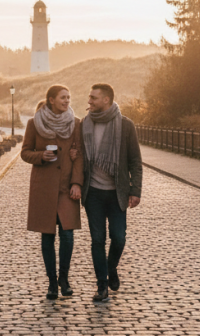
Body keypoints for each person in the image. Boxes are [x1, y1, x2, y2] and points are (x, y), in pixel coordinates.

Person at [21, 85, 84, 300]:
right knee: (47, 235)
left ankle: (63, 279)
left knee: (67, 235)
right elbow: (25, 152)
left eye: (69, 97)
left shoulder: (75, 124)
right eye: (63, 97)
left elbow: (80, 155)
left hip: (67, 188)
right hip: (44, 188)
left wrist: (77, 183)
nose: (67, 101)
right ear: (51, 100)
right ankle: (51, 283)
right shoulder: (34, 123)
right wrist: (40, 156)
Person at [81, 83, 142, 301]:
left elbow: (135, 160)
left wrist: (135, 190)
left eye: (93, 97)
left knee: (119, 238)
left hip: (117, 193)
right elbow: (78, 156)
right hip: (94, 194)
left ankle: (111, 267)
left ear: (106, 100)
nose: (89, 101)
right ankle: (102, 285)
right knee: (97, 240)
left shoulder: (125, 125)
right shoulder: (84, 125)